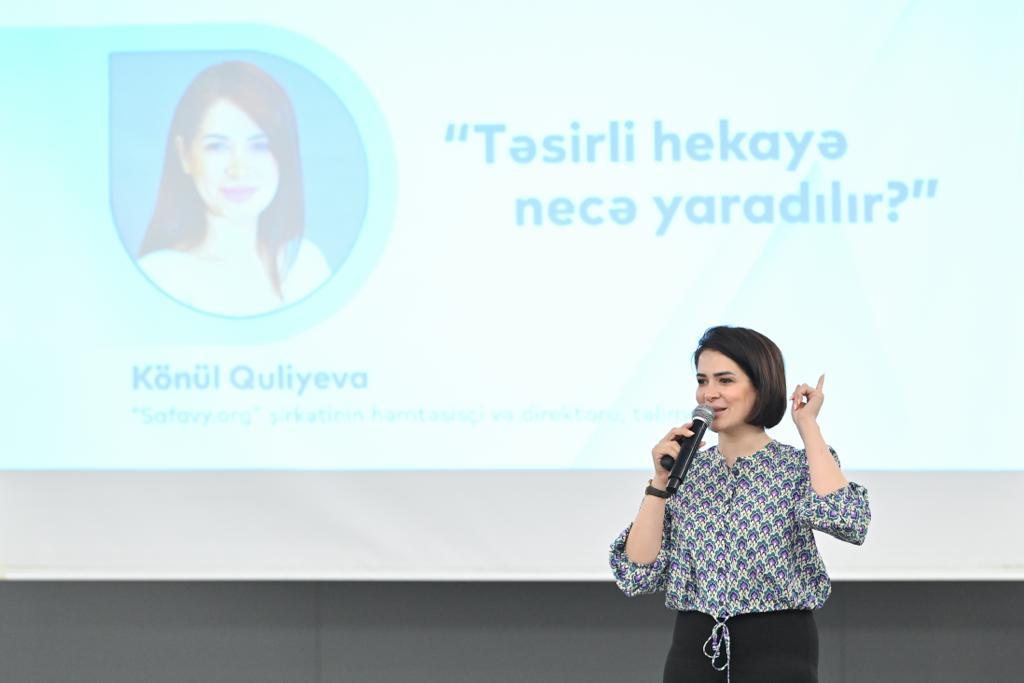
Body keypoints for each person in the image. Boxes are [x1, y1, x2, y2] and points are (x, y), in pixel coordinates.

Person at [609, 326, 871, 682]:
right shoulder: (687, 472)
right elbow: (635, 573)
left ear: (761, 386)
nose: (709, 393)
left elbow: (849, 521)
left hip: (780, 650)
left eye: (725, 380)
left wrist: (807, 425)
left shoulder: (796, 466)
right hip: (694, 651)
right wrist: (658, 482)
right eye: (702, 381)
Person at [137, 61, 330, 317]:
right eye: (217, 146)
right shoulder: (160, 276)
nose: (239, 170)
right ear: (184, 155)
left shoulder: (306, 266)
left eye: (260, 146)